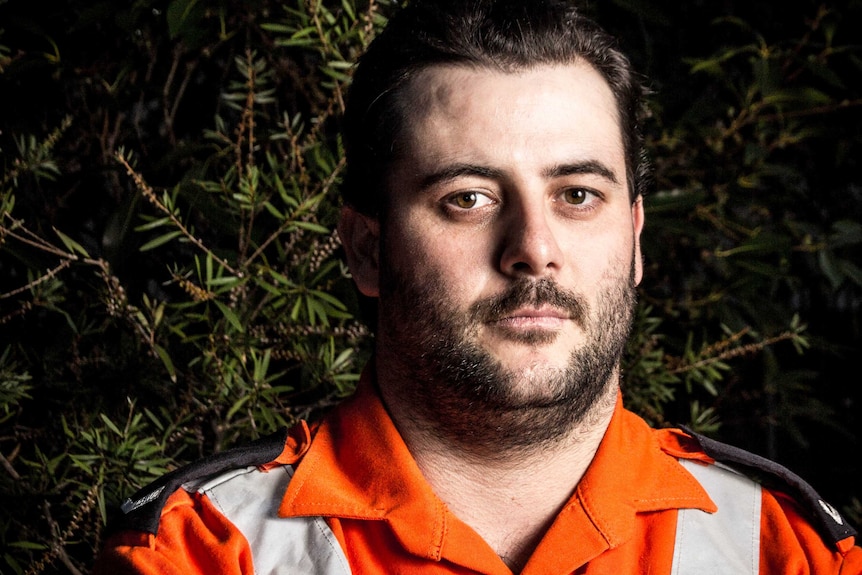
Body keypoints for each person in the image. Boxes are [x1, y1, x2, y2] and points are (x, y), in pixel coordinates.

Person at [94, 0, 862, 573]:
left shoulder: (783, 546)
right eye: (468, 197)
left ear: (633, 240)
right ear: (367, 249)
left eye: (577, 194)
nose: (533, 249)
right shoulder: (205, 551)